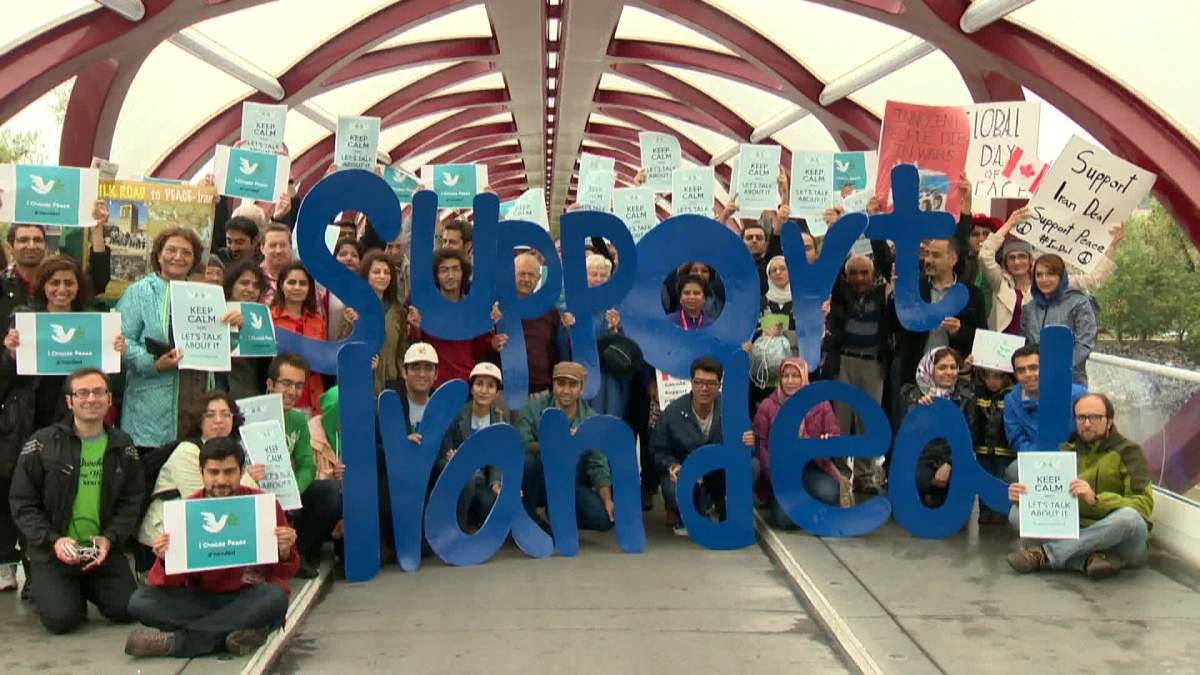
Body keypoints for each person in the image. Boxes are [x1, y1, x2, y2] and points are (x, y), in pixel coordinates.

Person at [124, 437, 299, 657]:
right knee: (140, 602)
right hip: (201, 597)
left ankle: (180, 643)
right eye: (213, 472)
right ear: (201, 472)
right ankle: (239, 630)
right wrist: (165, 558)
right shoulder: (187, 510)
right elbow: (162, 582)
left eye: (229, 472)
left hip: (248, 594)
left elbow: (287, 572)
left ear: (241, 470)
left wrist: (284, 551)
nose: (221, 480)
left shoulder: (262, 504)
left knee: (275, 598)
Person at [8, 368, 142, 633]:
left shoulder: (123, 445)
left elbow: (132, 500)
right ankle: (51, 587)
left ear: (109, 398)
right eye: (82, 393)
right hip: (54, 552)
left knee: (128, 609)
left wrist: (110, 538)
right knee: (62, 621)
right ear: (70, 401)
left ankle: (83, 585)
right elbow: (22, 503)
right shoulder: (42, 443)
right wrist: (52, 540)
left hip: (100, 551)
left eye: (98, 392)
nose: (91, 399)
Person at [1006, 393, 1153, 579]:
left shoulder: (1130, 452)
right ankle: (1088, 559)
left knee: (1130, 518)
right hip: (1078, 529)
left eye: (1095, 417)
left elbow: (1144, 504)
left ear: (1109, 421)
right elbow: (1049, 500)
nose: (1087, 423)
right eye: (1081, 417)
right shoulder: (1066, 451)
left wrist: (1096, 500)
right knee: (1015, 513)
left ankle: (1046, 554)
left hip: (1120, 541)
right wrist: (1024, 499)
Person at [119, 227, 241, 449]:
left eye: (186, 252)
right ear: (158, 255)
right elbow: (122, 341)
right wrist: (153, 363)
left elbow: (220, 347)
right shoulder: (140, 292)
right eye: (171, 250)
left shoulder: (205, 294)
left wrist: (232, 329)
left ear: (194, 259)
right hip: (152, 407)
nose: (178, 257)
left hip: (196, 395)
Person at [137, 391, 264, 569]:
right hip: (163, 544)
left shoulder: (236, 450)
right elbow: (205, 503)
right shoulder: (187, 451)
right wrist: (249, 478)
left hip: (206, 538)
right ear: (199, 420)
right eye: (210, 415)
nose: (219, 420)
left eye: (225, 414)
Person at [652, 357, 757, 534]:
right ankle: (689, 513)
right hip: (685, 474)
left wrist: (750, 443)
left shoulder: (732, 408)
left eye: (711, 383)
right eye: (699, 382)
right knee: (673, 489)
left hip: (718, 475)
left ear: (719, 385)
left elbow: (748, 448)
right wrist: (672, 465)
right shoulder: (672, 412)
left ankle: (727, 508)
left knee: (752, 466)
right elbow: (657, 451)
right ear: (691, 382)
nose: (704, 388)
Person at [980, 207, 1118, 334]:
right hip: (1003, 350)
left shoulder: (1047, 282)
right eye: (1011, 258)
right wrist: (1009, 224)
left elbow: (1093, 279)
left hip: (1036, 351)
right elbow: (984, 255)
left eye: (1022, 256)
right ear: (1006, 263)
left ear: (1030, 261)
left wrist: (1113, 245)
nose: (1017, 262)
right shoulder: (1000, 283)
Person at [516, 362, 614, 531]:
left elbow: (597, 463)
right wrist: (556, 444)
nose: (566, 390)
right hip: (539, 481)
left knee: (603, 519)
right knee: (527, 463)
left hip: (570, 483)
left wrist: (607, 499)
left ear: (582, 389)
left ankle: (557, 517)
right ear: (553, 385)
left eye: (573, 385)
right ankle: (528, 521)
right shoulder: (532, 408)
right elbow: (521, 445)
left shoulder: (590, 419)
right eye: (560, 384)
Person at [266, 354, 340, 578]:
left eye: (299, 386)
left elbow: (307, 464)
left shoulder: (298, 420)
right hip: (258, 491)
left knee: (329, 492)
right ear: (270, 384)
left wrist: (293, 492)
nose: (292, 392)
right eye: (286, 383)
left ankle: (299, 556)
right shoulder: (251, 414)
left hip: (288, 491)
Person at [752, 357, 847, 530]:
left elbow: (835, 436)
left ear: (803, 377)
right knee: (784, 521)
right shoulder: (767, 405)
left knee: (829, 493)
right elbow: (761, 447)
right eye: (785, 376)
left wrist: (825, 443)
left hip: (813, 466)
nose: (790, 381)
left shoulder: (820, 404)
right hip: (782, 471)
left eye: (795, 376)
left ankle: (804, 504)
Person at [823, 254, 891, 493]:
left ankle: (865, 474)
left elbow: (887, 261)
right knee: (840, 421)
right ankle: (841, 474)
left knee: (868, 420)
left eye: (865, 273)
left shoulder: (882, 296)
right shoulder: (842, 296)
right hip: (844, 361)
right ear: (846, 275)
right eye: (854, 273)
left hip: (873, 364)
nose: (860, 278)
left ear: (874, 275)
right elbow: (833, 269)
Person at [0, 203, 112, 331]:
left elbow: (99, 279)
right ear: (9, 248)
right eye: (23, 240)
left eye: (37, 240)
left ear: (46, 246)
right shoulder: (2, 285)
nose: (31, 246)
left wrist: (97, 231)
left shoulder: (64, 278)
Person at [890, 238, 984, 387]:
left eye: (936, 255)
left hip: (956, 378)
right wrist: (896, 297)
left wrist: (959, 331)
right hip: (915, 376)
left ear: (953, 260)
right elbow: (894, 326)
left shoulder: (972, 294)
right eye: (927, 254)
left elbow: (981, 337)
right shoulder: (915, 288)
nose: (928, 260)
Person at [409, 249, 503, 387]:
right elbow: (415, 345)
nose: (451, 275)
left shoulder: (474, 309)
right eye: (444, 270)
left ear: (463, 272)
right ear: (436, 275)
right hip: (432, 386)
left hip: (466, 384)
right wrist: (415, 327)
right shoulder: (425, 308)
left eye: (455, 269)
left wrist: (493, 342)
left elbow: (480, 349)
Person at [901, 348, 976, 507]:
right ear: (929, 369)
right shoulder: (914, 395)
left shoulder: (967, 396)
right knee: (915, 480)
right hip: (922, 458)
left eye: (953, 367)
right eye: (942, 367)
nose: (949, 372)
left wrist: (948, 464)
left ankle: (943, 499)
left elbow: (969, 438)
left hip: (954, 459)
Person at [439, 362, 507, 529]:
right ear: (471, 388)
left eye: (490, 386)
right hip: (457, 477)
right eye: (479, 384)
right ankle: (457, 528)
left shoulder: (499, 419)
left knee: (492, 502)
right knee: (466, 481)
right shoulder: (456, 414)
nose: (484, 390)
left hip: (483, 479)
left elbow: (498, 457)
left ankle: (474, 520)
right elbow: (444, 449)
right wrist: (450, 458)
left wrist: (496, 483)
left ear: (497, 392)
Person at [1021, 253, 1098, 386]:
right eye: (1039, 275)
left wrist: (1059, 368)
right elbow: (1024, 342)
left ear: (1061, 276)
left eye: (1050, 273)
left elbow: (1085, 342)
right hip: (1034, 382)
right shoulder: (1029, 308)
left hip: (1070, 381)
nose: (1044, 279)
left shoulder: (1079, 302)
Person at [338, 251, 410, 393]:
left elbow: (401, 348)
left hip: (391, 382)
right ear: (366, 275)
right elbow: (342, 346)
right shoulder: (352, 308)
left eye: (386, 272)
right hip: (360, 380)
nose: (382, 276)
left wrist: (401, 371)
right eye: (376, 272)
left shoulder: (398, 311)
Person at [1003, 345, 1087, 454]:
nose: (1027, 374)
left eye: (1033, 368)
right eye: (1021, 370)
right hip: (1035, 460)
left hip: (1075, 456)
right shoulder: (1011, 401)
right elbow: (1017, 442)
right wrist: (1044, 455)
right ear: (1015, 375)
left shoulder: (1077, 394)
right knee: (1012, 470)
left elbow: (1090, 431)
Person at [270, 262, 326, 414]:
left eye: (303, 283)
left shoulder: (318, 320)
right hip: (281, 397)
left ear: (309, 288)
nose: (297, 287)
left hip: (313, 397)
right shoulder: (269, 317)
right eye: (291, 282)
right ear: (281, 285)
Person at [968, 362, 1015, 524]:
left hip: (1004, 449)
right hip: (983, 448)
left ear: (1005, 377)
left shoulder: (1012, 395)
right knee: (984, 480)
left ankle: (1002, 511)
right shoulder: (978, 394)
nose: (993, 381)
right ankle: (985, 512)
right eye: (989, 376)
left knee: (1002, 480)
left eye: (997, 377)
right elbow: (973, 420)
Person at [218, 260, 270, 400]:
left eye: (256, 285)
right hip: (219, 394)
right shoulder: (216, 311)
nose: (250, 289)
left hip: (251, 395)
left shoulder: (263, 318)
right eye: (244, 283)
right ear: (231, 285)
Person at [513, 252, 560, 395]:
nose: (526, 279)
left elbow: (555, 352)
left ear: (539, 278)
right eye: (521, 274)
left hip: (540, 390)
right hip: (505, 391)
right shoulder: (498, 309)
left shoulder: (550, 311)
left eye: (531, 275)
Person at [323, 237, 362, 340]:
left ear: (360, 261)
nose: (349, 258)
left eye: (354, 255)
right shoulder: (323, 288)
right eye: (343, 254)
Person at [258, 223, 293, 306]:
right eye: (273, 245)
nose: (278, 251)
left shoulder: (303, 277)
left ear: (291, 247)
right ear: (262, 248)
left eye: (283, 245)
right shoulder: (254, 277)